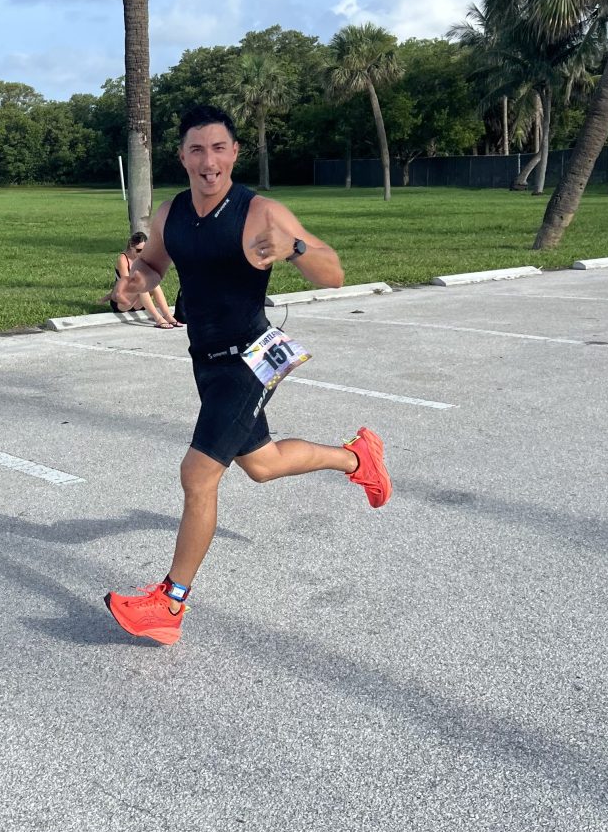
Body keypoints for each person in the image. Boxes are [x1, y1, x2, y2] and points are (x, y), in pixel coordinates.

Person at [104, 103, 392, 644]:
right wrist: (133, 283)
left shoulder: (261, 212)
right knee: (260, 464)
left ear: (234, 153)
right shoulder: (170, 215)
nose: (208, 160)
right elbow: (154, 265)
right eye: (196, 149)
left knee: (198, 474)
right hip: (206, 360)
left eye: (218, 148)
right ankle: (359, 457)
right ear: (183, 156)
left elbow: (333, 273)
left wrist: (297, 248)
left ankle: (169, 606)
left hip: (252, 358)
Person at [107, 231, 181, 328]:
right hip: (122, 301)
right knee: (141, 286)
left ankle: (168, 316)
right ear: (131, 247)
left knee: (154, 285)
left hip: (137, 301)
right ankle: (158, 319)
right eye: (138, 250)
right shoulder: (123, 259)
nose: (141, 253)